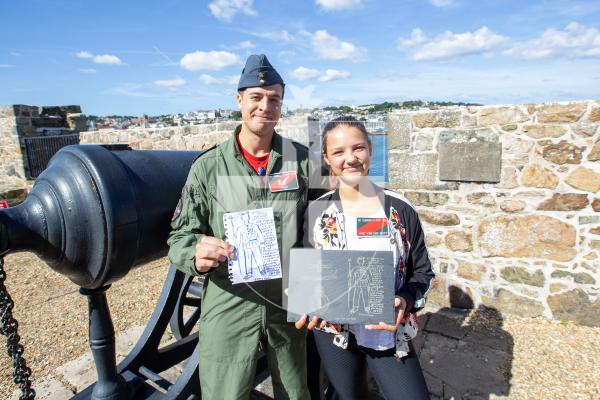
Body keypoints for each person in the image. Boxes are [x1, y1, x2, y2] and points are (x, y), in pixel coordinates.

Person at [168, 54, 319, 399]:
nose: (265, 106)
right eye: (256, 97)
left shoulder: (301, 160)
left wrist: (314, 287)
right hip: (230, 297)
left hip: (287, 296)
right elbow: (180, 237)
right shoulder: (207, 168)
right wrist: (196, 252)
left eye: (274, 99)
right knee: (225, 392)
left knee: (296, 392)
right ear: (239, 100)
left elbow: (321, 228)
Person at [296, 116, 434, 400]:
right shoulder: (316, 212)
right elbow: (308, 271)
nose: (350, 159)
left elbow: (423, 274)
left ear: (370, 149)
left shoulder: (400, 211)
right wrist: (302, 298)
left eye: (358, 148)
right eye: (338, 152)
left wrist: (405, 300)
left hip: (385, 333)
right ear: (326, 158)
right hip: (334, 332)